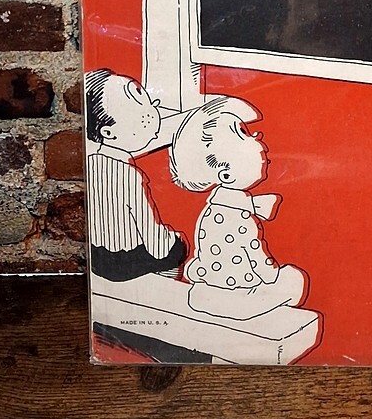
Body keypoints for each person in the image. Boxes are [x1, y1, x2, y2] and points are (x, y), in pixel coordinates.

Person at [169, 97, 307, 320]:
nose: (257, 136)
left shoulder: (213, 210)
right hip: (237, 290)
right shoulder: (236, 215)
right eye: (242, 133)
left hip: (211, 285)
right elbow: (254, 253)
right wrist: (272, 276)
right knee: (293, 281)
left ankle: (209, 298)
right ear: (226, 174)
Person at [85, 69, 187, 281]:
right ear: (108, 132)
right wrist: (172, 242)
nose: (152, 111)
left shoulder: (92, 163)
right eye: (137, 110)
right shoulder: (129, 175)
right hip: (123, 262)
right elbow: (151, 235)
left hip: (96, 255)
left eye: (147, 100)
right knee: (178, 247)